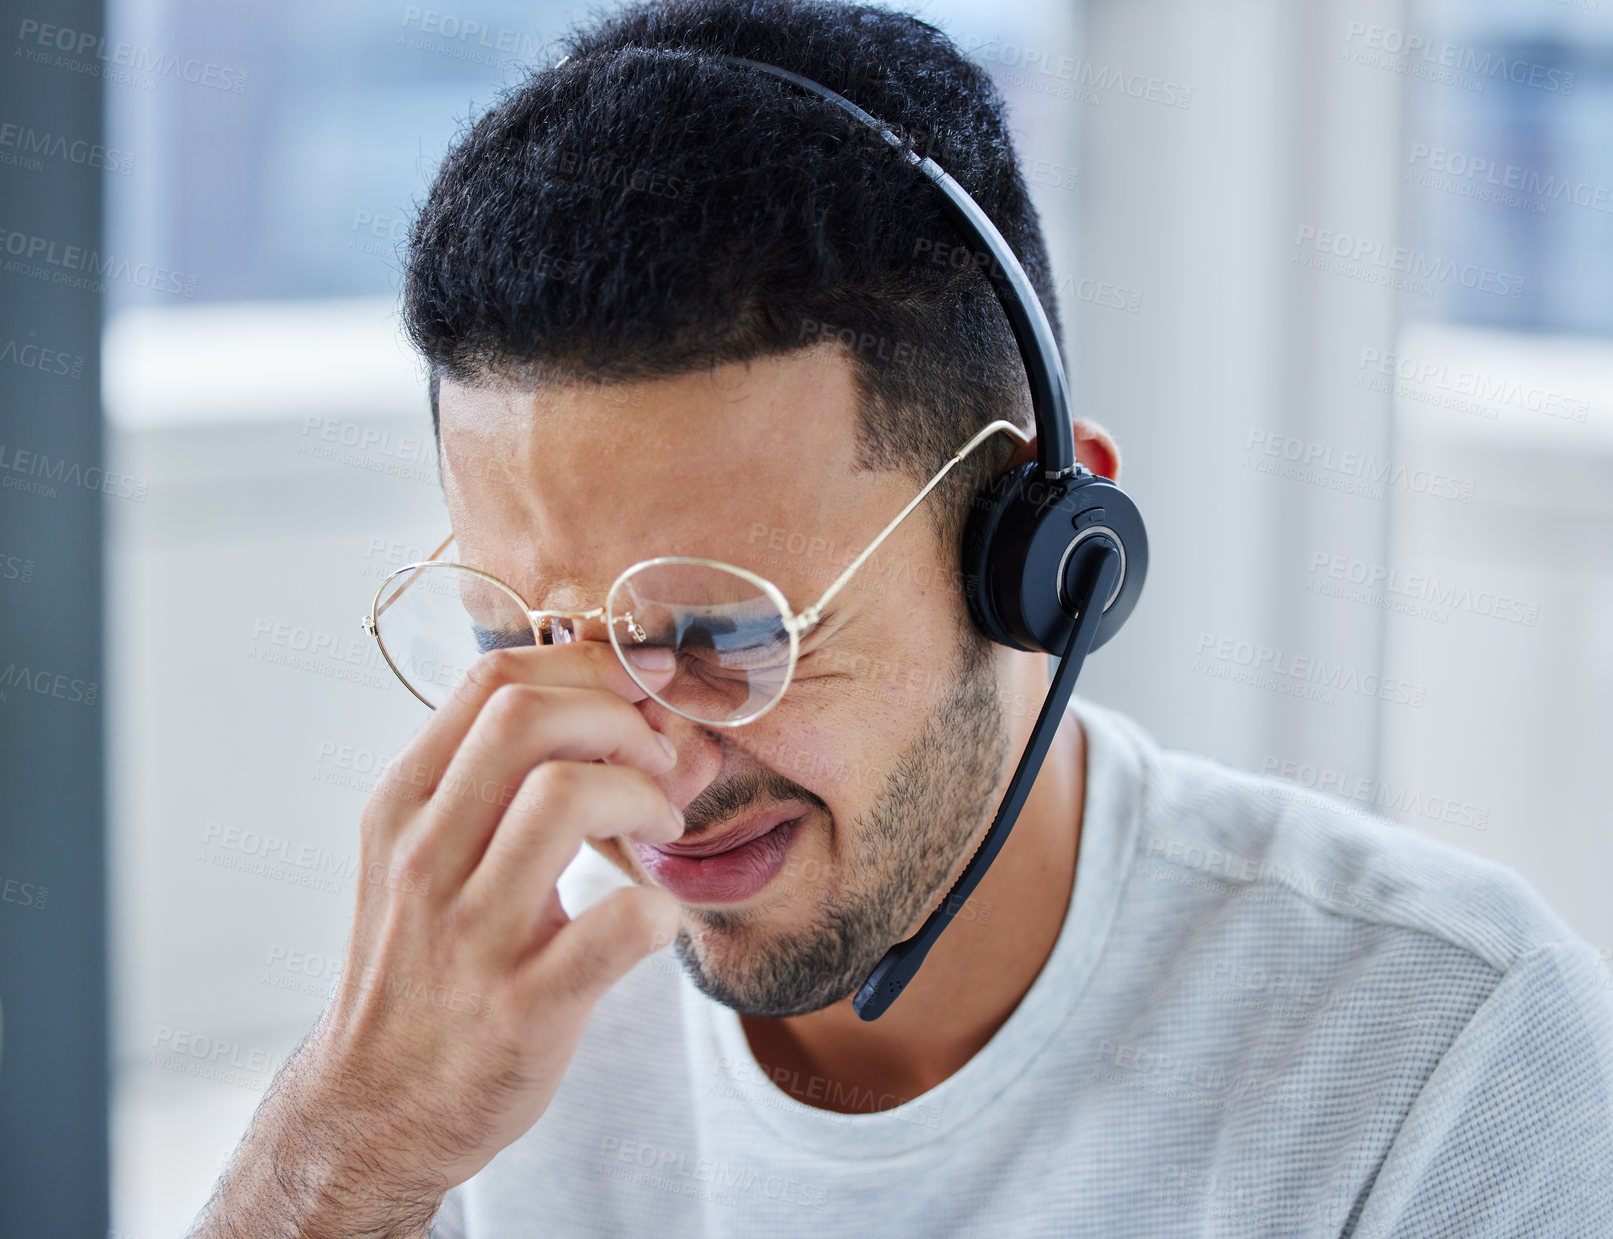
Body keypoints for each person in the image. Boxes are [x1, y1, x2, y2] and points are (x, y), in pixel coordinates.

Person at [189, 1, 1613, 1235]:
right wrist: (341, 1153)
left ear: (1043, 557)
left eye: (727, 634)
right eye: (533, 640)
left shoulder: (1441, 1058)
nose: (650, 775)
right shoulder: (462, 1045)